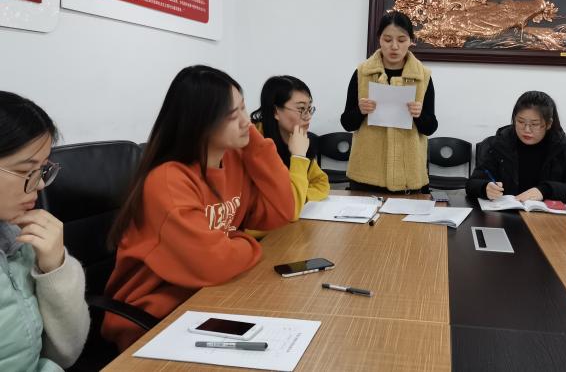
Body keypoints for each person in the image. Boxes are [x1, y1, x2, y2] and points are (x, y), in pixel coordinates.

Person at [102, 65, 294, 352]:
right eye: (233, 115)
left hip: (208, 297)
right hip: (154, 318)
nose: (247, 122)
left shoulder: (232, 162)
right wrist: (245, 241)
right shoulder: (168, 181)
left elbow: (282, 212)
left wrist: (255, 146)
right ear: (201, 122)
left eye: (244, 108)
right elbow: (214, 263)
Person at [0, 91, 89, 370]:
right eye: (25, 170)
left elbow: (64, 355)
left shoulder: (19, 236)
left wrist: (55, 268)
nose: (39, 184)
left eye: (42, 169)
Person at [340, 11, 437, 193]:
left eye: (401, 40)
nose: (394, 46)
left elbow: (430, 127)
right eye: (387, 39)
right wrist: (360, 110)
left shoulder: (423, 76)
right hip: (366, 173)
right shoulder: (362, 73)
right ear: (379, 39)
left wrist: (419, 114)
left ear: (411, 41)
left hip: (408, 175)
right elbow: (347, 123)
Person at [466, 91, 566, 203]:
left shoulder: (564, 148)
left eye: (534, 124)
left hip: (546, 218)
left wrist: (545, 190)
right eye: (520, 122)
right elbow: (472, 184)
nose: (526, 130)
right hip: (505, 215)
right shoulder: (500, 144)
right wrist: (484, 188)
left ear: (549, 124)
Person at [246, 75, 329, 237]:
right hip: (258, 235)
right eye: (301, 109)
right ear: (276, 111)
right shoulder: (254, 141)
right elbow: (290, 210)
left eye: (309, 108)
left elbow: (321, 183)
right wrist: (298, 157)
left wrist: (299, 196)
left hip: (285, 229)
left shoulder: (299, 139)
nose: (308, 116)